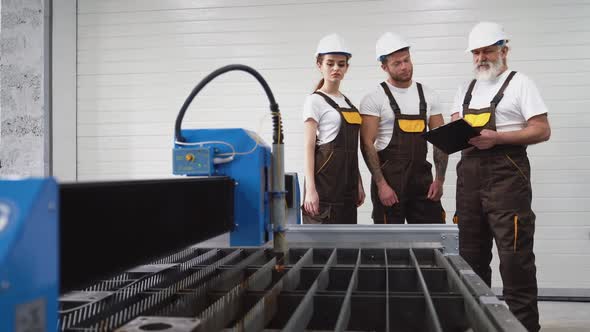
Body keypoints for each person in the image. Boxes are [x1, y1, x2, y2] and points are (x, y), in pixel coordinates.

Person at [450, 21, 551, 332]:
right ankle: (479, 325)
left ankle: (523, 327)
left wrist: (499, 138)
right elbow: (456, 124)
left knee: (514, 259)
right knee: (471, 259)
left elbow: (542, 129)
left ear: (504, 51)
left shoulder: (521, 84)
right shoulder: (465, 89)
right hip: (469, 185)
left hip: (508, 183)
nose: (482, 57)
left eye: (488, 51)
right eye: (476, 52)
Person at [359, 32, 448, 224]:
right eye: (397, 63)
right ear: (384, 66)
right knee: (389, 248)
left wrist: (439, 180)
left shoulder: (429, 95)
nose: (404, 67)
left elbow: (441, 140)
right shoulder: (374, 99)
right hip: (390, 183)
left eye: (406, 60)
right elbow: (366, 143)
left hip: (422, 182)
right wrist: (381, 184)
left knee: (431, 244)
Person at [301, 33, 365, 224]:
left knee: (347, 249)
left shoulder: (347, 102)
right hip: (324, 190)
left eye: (341, 63)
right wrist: (311, 190)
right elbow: (308, 147)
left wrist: (359, 183)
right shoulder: (314, 101)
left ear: (347, 67)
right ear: (319, 65)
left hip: (347, 189)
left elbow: (352, 150)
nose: (336, 68)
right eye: (330, 63)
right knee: (322, 250)